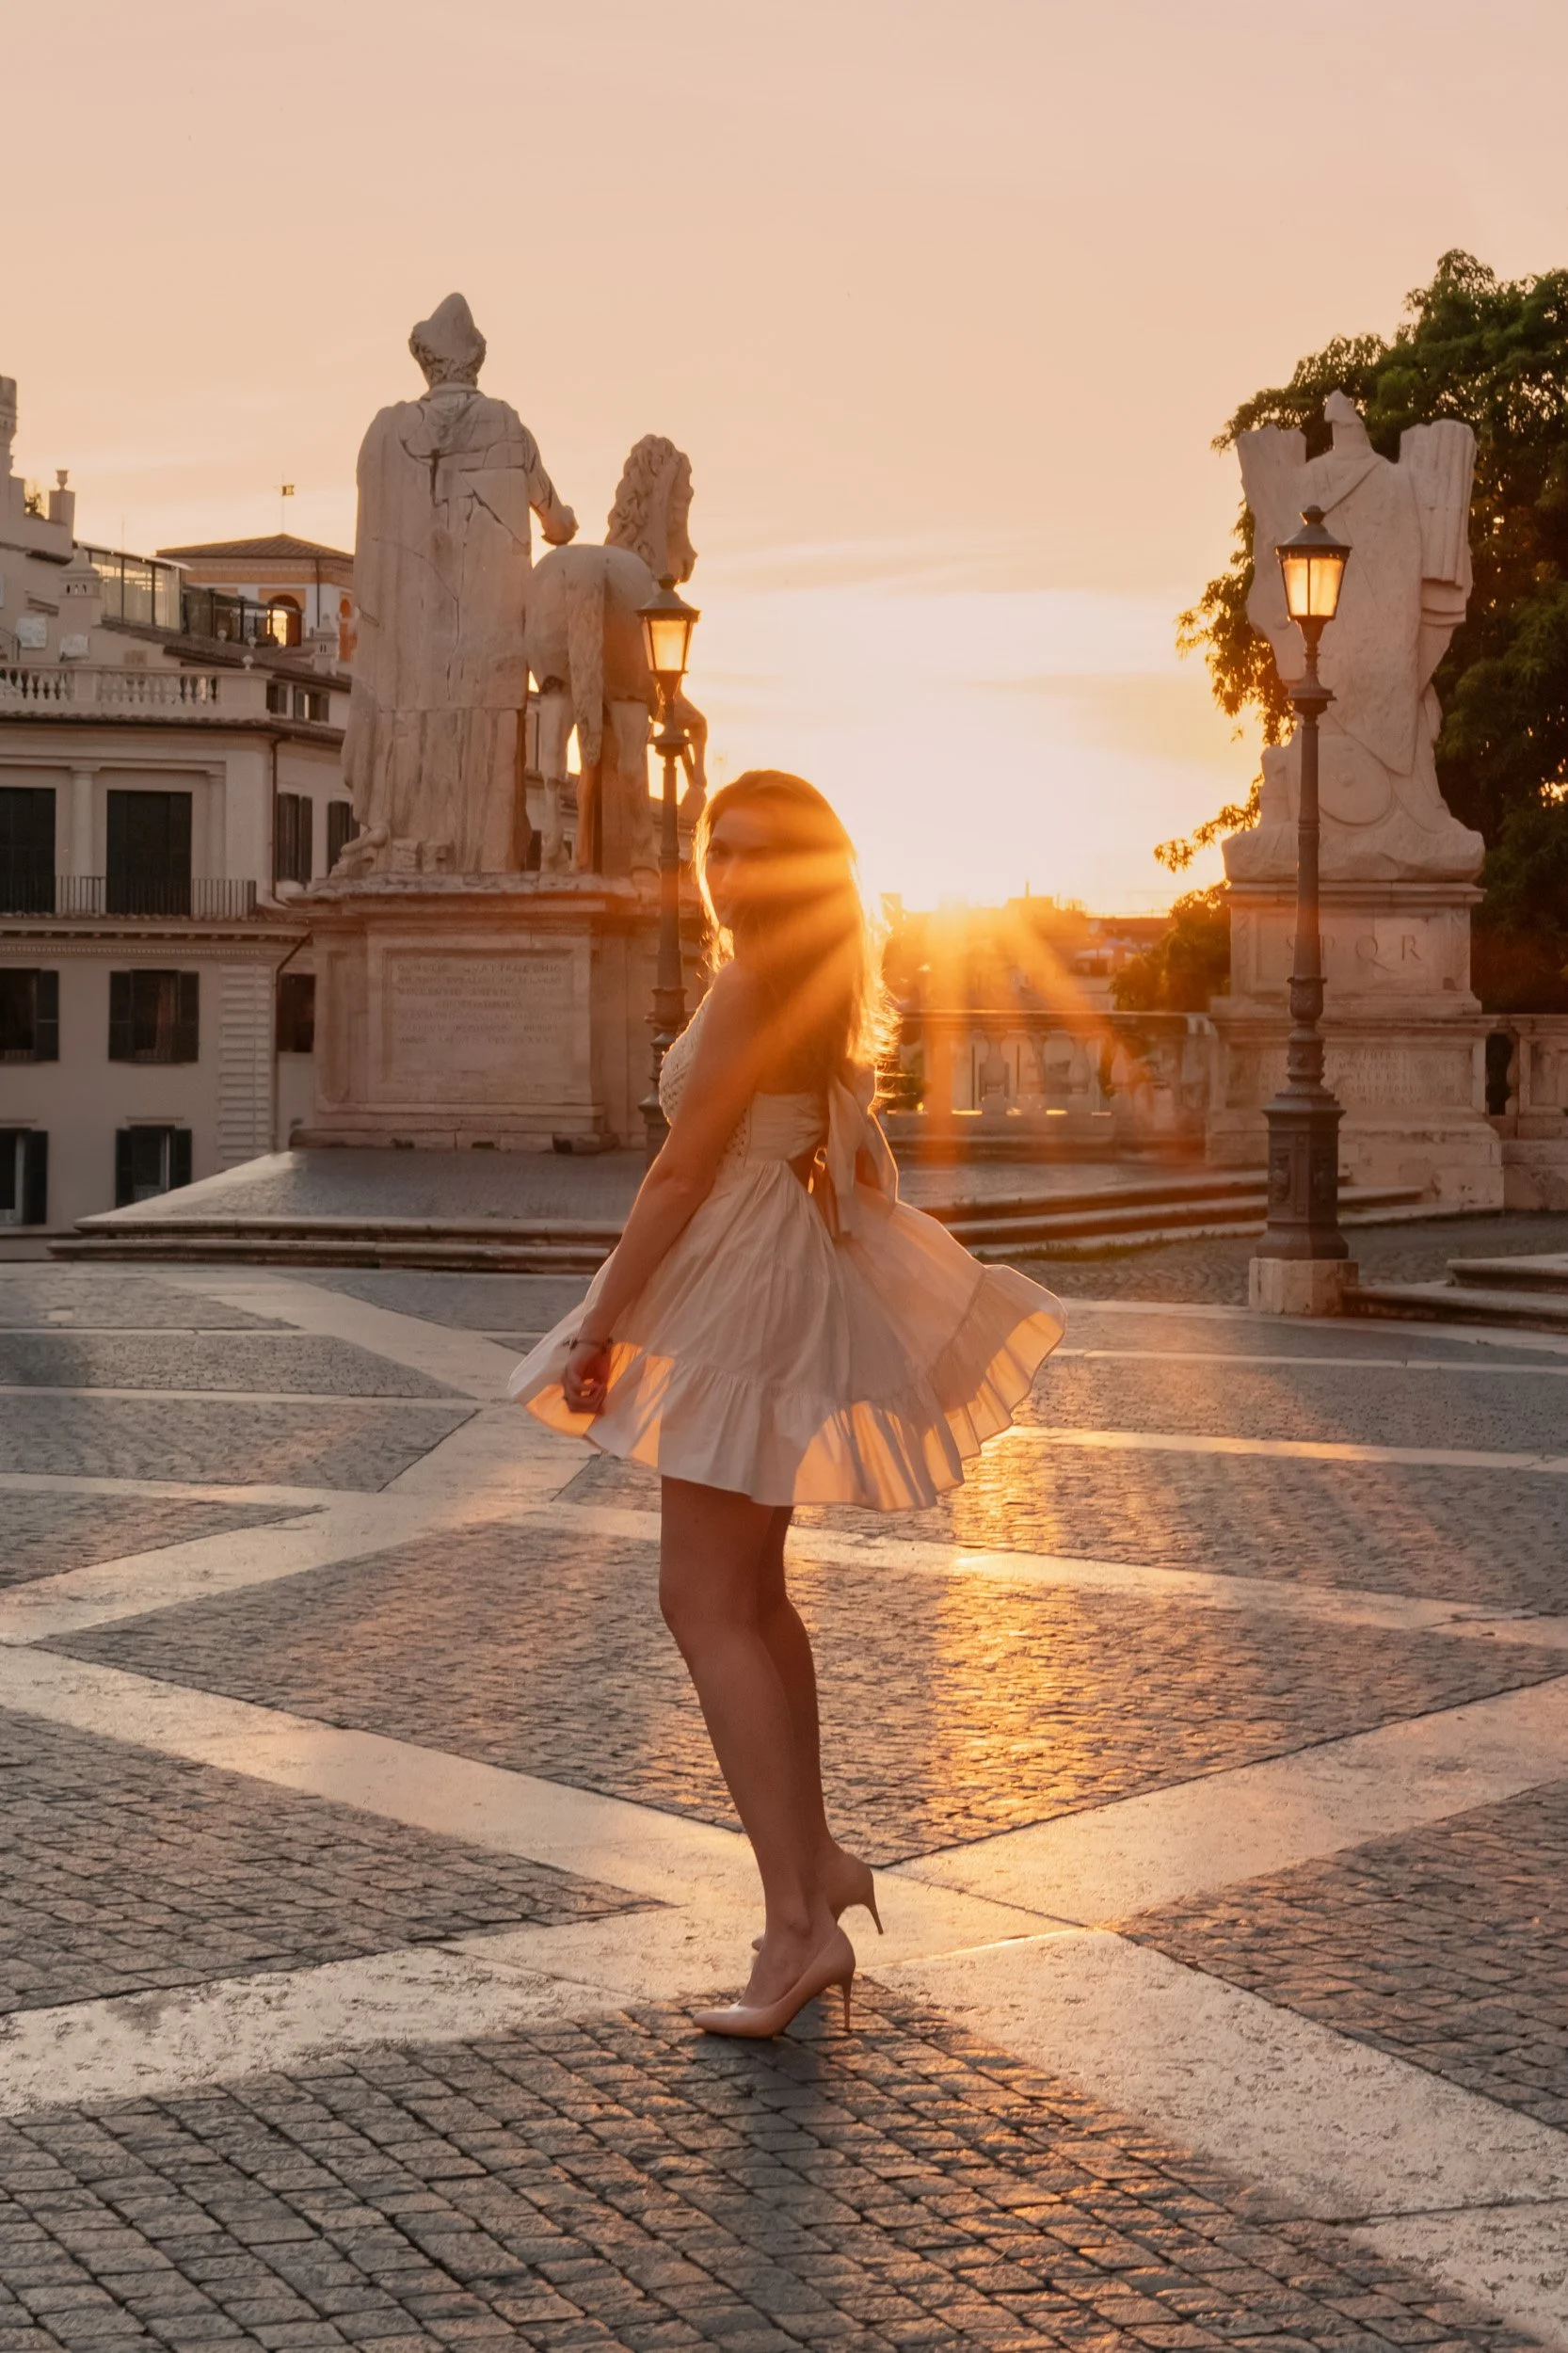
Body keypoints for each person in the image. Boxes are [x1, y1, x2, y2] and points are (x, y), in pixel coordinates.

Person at [509, 771, 1064, 2039]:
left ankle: (795, 1928)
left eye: (762, 854)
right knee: (751, 1598)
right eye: (720, 847)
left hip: (732, 1281)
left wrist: (601, 1325)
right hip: (767, 1278)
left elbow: (679, 1170)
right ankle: (811, 1871)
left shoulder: (756, 978)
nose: (732, 871)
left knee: (699, 1601)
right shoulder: (800, 978)